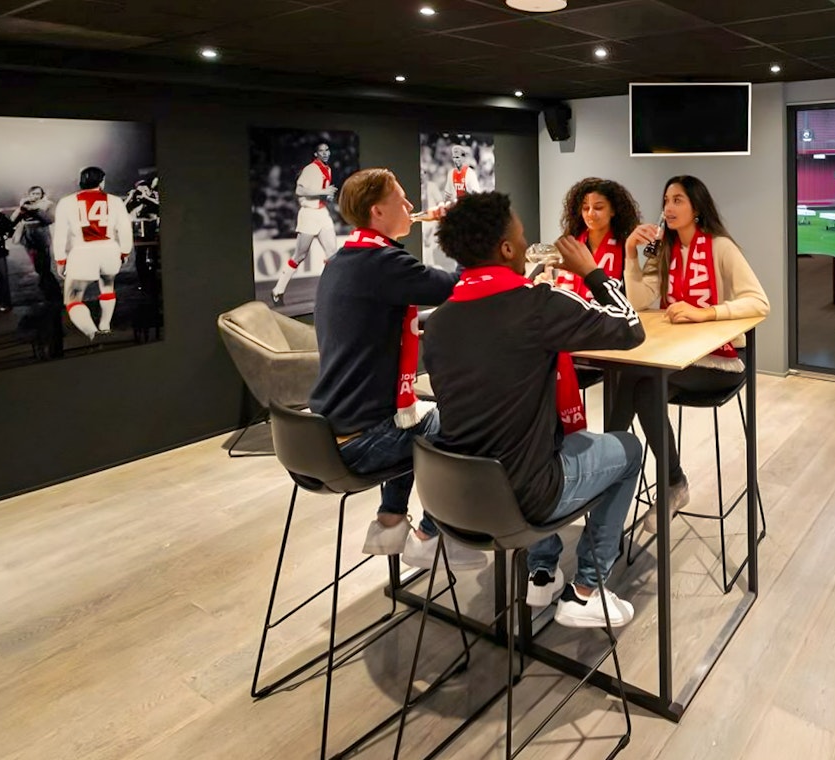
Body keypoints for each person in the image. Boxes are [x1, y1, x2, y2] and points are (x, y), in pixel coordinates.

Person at [425, 191, 645, 627]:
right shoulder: (537, 304)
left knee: (564, 441)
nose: (527, 245)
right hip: (524, 498)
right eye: (521, 237)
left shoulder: (439, 320)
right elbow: (629, 328)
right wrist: (593, 272)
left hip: (453, 497)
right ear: (506, 250)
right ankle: (588, 588)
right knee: (628, 448)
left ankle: (541, 573)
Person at [308, 167, 485, 571]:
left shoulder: (345, 258)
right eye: (402, 200)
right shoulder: (381, 262)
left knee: (417, 413)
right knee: (462, 424)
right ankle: (433, 535)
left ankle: (389, 521)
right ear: (377, 211)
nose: (410, 206)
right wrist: (459, 228)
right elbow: (456, 284)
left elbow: (376, 320)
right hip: (359, 440)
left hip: (324, 431)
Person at [611, 175, 770, 533]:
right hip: (676, 355)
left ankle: (630, 476)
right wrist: (630, 257)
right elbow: (638, 301)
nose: (668, 207)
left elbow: (759, 302)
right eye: (666, 199)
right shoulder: (662, 250)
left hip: (721, 362)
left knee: (641, 380)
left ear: (697, 208)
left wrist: (707, 312)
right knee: (634, 379)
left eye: (678, 200)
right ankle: (636, 475)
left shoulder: (721, 248)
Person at [53, 167, 133, 340]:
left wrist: (60, 259)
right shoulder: (115, 201)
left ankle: (93, 333)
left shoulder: (67, 202)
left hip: (83, 252)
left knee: (73, 299)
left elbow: (60, 234)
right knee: (107, 286)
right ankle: (105, 326)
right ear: (102, 181)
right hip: (109, 250)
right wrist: (125, 251)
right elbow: (125, 229)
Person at [271, 143, 338, 306]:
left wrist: (327, 196)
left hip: (322, 213)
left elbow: (320, 192)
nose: (325, 153)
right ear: (316, 154)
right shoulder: (310, 169)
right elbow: (299, 191)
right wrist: (323, 192)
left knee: (333, 255)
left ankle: (328, 292)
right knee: (300, 255)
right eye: (321, 151)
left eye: (327, 150)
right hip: (308, 214)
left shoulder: (328, 169)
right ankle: (278, 290)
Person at [551, 177, 641, 298]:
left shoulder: (624, 245)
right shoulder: (571, 242)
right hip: (569, 312)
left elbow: (632, 293)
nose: (590, 214)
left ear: (613, 210)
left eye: (598, 208)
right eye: (585, 208)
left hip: (608, 314)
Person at [11, 186, 58, 300]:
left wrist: (35, 210)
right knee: (38, 267)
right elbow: (13, 220)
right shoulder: (25, 205)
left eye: (38, 194)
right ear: (28, 194)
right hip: (28, 240)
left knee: (45, 267)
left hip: (42, 239)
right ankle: (46, 288)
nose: (35, 196)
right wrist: (21, 209)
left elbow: (49, 220)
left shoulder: (47, 204)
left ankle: (53, 292)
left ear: (42, 195)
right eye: (33, 194)